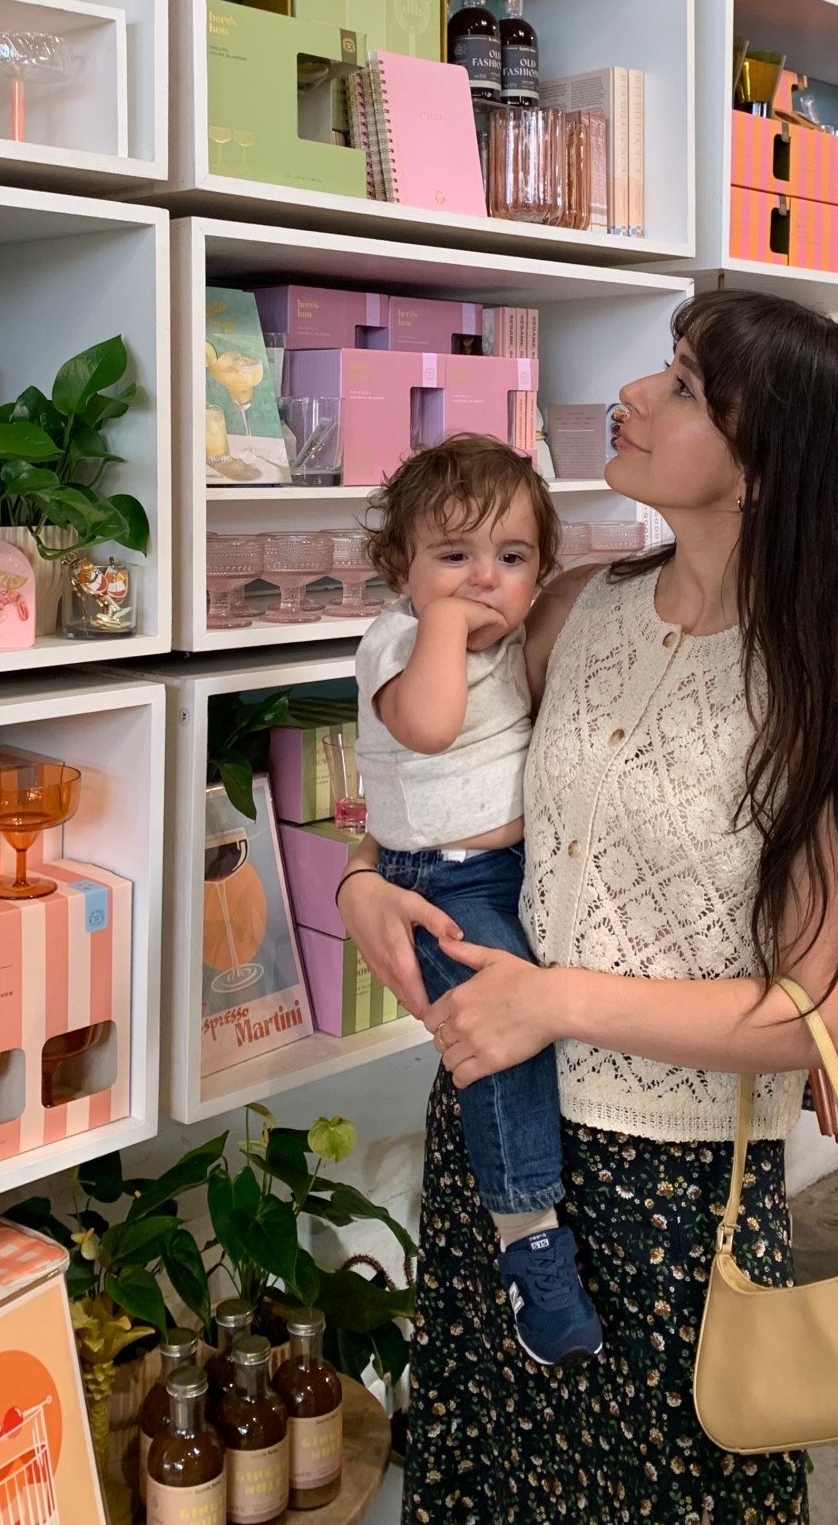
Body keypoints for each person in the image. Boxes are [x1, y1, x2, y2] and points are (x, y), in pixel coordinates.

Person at [338, 290, 838, 1523]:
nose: (631, 395)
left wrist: (556, 997)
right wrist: (363, 884)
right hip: (497, 1148)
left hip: (676, 1198)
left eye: (680, 385)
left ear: (767, 466)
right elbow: (435, 780)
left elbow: (828, 1005)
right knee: (478, 1478)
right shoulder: (571, 610)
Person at [347, 433, 603, 1366]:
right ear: (400, 569)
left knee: (545, 1020)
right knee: (500, 1042)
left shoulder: (516, 641)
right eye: (453, 557)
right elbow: (430, 726)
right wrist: (447, 625)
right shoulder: (398, 643)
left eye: (511, 558)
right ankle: (528, 1236)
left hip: (522, 865)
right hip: (443, 881)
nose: (482, 581)